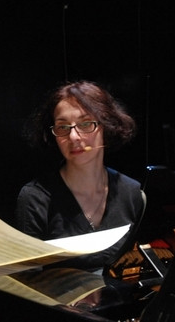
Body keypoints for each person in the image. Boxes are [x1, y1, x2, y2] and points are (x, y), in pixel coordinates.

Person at [14, 80, 145, 272]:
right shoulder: (35, 198)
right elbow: (28, 278)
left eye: (85, 124)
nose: (74, 137)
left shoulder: (131, 192)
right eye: (63, 127)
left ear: (106, 126)